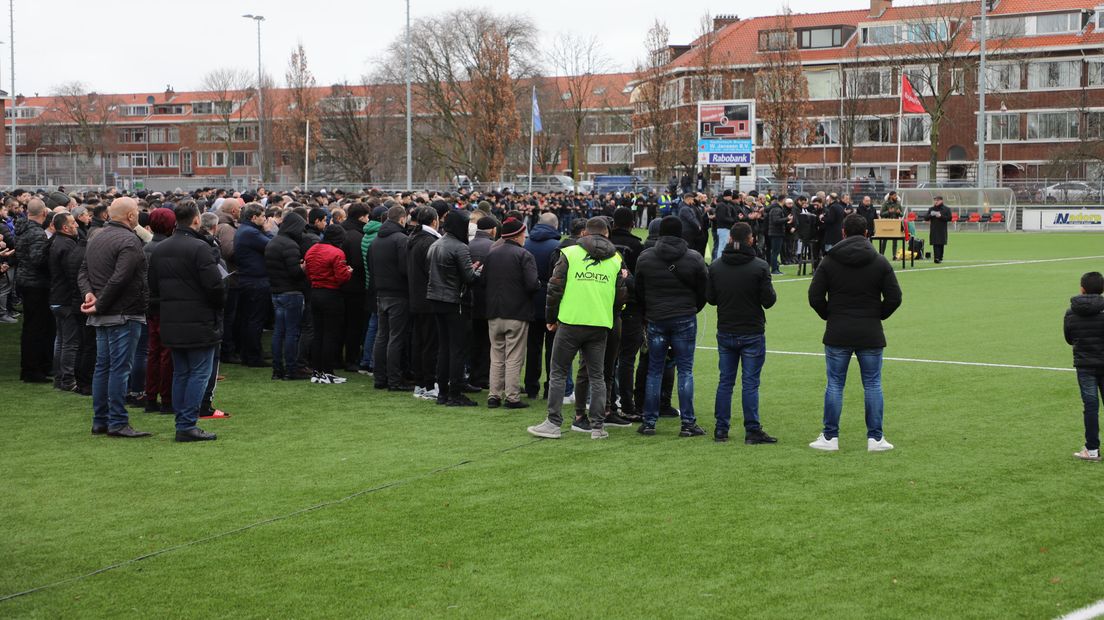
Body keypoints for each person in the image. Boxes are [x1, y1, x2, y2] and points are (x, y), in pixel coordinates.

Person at [807, 214, 903, 452]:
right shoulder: (879, 261)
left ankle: (830, 437)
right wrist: (877, 314)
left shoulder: (829, 261)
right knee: (872, 384)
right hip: (869, 331)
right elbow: (895, 297)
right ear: (867, 233)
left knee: (835, 384)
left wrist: (829, 314)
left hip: (838, 330)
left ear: (843, 233)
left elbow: (814, 296)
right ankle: (875, 438)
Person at [527, 217, 626, 440]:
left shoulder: (570, 253)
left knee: (559, 372)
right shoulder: (616, 259)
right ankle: (598, 427)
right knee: (598, 375)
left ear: (584, 233)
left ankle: (553, 422)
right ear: (607, 234)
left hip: (571, 322)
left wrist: (551, 317)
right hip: (599, 323)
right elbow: (621, 296)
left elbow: (554, 288)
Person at [148, 201, 224, 442]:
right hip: (198, 320)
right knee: (198, 373)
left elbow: (153, 286)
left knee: (182, 372)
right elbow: (214, 286)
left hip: (172, 319)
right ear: (196, 220)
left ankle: (183, 422)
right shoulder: (200, 248)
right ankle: (186, 424)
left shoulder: (159, 248)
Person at [78, 197, 152, 438]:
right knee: (119, 369)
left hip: (106, 312)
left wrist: (90, 294)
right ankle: (117, 422)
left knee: (104, 368)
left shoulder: (96, 236)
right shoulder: (130, 240)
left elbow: (83, 271)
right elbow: (120, 278)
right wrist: (98, 302)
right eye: (137, 213)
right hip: (123, 312)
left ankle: (101, 420)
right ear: (131, 216)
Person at [633, 216, 709, 437]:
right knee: (685, 370)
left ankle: (649, 421)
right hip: (684, 316)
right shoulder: (694, 258)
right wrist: (692, 308)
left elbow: (639, 290)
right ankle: (687, 423)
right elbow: (703, 290)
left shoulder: (645, 257)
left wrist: (649, 311)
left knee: (654, 371)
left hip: (656, 317)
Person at [707, 222, 778, 444]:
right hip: (751, 330)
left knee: (725, 382)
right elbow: (769, 301)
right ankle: (752, 430)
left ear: (730, 239)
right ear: (751, 240)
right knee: (750, 383)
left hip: (727, 328)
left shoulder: (717, 266)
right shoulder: (759, 266)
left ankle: (721, 429)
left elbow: (711, 298)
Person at [426, 209, 482, 406]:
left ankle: (443, 393)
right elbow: (469, 278)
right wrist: (479, 271)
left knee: (444, 348)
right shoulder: (459, 247)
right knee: (457, 350)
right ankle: (455, 394)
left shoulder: (435, 244)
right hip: (455, 303)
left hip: (436, 300)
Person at [483, 217, 539, 409]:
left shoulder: (492, 254)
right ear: (517, 235)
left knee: (497, 355)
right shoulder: (524, 255)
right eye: (523, 234)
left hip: (494, 312)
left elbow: (483, 281)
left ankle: (494, 395)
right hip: (516, 313)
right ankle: (512, 396)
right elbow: (532, 284)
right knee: (514, 356)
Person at [264, 211, 311, 381]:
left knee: (279, 332)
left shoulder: (273, 242)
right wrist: (303, 268)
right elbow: (295, 273)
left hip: (276, 292)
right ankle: (291, 370)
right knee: (292, 333)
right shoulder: (290, 245)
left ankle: (278, 370)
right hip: (291, 293)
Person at [369, 205, 411, 392]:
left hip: (381, 293)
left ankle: (380, 378)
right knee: (395, 337)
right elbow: (405, 269)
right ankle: (394, 380)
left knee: (382, 336)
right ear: (402, 219)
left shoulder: (376, 240)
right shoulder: (401, 239)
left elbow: (370, 267)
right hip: (398, 294)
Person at [303, 225, 352, 384]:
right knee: (331, 334)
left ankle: (317, 371)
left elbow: (308, 273)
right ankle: (327, 371)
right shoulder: (337, 252)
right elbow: (341, 278)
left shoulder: (311, 250)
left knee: (318, 334)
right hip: (331, 294)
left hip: (315, 293)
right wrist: (349, 272)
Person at [1064, 272, 1104, 461]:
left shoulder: (1071, 312)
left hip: (1085, 364)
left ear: (1082, 288)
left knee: (1090, 407)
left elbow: (1069, 338)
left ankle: (1092, 450)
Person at [15, 198, 54, 383]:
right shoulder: (37, 233)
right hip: (36, 285)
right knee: (36, 328)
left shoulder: (21, 228)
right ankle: (33, 369)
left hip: (25, 281)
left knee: (31, 327)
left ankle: (31, 367)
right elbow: (39, 260)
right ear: (45, 213)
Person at [523, 212, 561, 400]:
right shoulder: (557, 246)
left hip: (529, 300)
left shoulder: (526, 243)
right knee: (553, 349)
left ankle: (531, 387)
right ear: (555, 226)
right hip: (551, 302)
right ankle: (550, 389)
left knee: (533, 347)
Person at [406, 206, 441, 401]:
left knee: (420, 342)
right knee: (429, 343)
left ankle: (421, 383)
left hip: (417, 298)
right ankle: (428, 384)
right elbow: (432, 272)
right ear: (434, 221)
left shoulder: (414, 238)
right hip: (428, 299)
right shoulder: (428, 242)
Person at [233, 203, 272, 367]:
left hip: (249, 280)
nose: (265, 219)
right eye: (263, 216)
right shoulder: (251, 232)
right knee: (255, 320)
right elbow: (272, 245)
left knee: (249, 319)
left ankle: (249, 353)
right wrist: (269, 230)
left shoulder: (245, 230)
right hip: (255, 281)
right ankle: (254, 356)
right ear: (253, 217)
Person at [48, 212, 81, 392]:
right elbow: (72, 274)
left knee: (60, 340)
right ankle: (67, 379)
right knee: (69, 342)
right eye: (73, 223)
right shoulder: (67, 245)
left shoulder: (55, 242)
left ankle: (59, 378)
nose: (76, 225)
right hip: (66, 299)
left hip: (56, 298)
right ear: (65, 227)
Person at [340, 203, 369, 372]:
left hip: (340, 285)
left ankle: (339, 358)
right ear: (361, 217)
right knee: (354, 325)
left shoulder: (340, 231)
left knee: (342, 325)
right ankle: (351, 359)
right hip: (355, 286)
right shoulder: (357, 236)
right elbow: (359, 263)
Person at [926, 196, 951, 264]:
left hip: (942, 229)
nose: (936, 202)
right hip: (934, 229)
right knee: (935, 243)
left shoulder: (946, 209)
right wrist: (931, 215)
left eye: (937, 200)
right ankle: (936, 258)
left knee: (941, 243)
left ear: (941, 201)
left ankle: (940, 257)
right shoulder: (931, 209)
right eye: (935, 200)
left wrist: (941, 216)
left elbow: (949, 218)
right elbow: (925, 218)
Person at [766, 198, 785, 275]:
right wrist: (787, 219)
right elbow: (776, 221)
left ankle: (776, 268)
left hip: (775, 233)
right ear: (783, 200)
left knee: (775, 252)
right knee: (775, 252)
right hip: (776, 233)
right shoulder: (777, 209)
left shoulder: (775, 209)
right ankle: (774, 269)